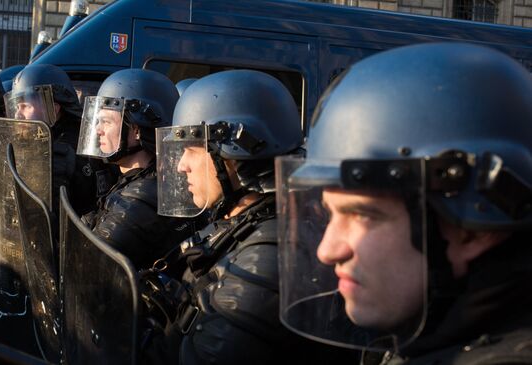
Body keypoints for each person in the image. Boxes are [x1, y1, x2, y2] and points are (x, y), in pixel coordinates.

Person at [277, 42, 532, 364]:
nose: (326, 250)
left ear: (474, 231)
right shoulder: (423, 332)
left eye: (362, 214)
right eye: (329, 214)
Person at [145, 69, 359, 365]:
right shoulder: (240, 220)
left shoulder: (269, 255)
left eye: (192, 149)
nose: (181, 165)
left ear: (234, 154)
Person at [78, 68, 199, 269]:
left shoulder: (139, 201)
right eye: (98, 121)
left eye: (106, 122)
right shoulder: (143, 179)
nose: (98, 129)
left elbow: (88, 265)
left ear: (135, 130)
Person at [5, 63, 117, 216]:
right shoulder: (79, 135)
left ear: (53, 108)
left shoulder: (58, 152)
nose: (18, 115)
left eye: (25, 106)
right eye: (17, 107)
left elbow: (44, 219)